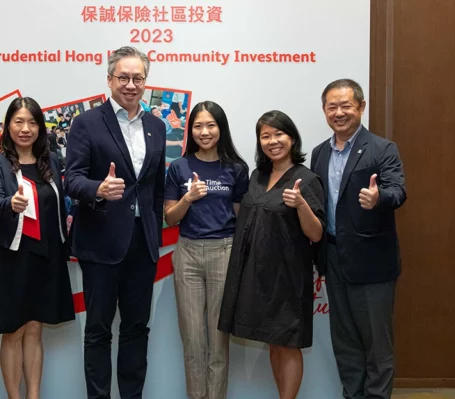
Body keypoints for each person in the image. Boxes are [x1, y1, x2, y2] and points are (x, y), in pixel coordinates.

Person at [64, 45, 167, 399]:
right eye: (123, 77)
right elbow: (71, 179)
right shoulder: (86, 123)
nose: (131, 84)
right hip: (101, 243)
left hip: (142, 244)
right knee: (98, 331)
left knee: (137, 329)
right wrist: (99, 189)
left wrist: (154, 232)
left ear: (145, 82)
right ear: (109, 80)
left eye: (138, 78)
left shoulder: (156, 125)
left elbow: (153, 189)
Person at [218, 110, 325, 399]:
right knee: (273, 342)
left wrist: (301, 204)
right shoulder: (257, 175)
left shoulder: (307, 178)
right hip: (258, 275)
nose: (272, 141)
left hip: (289, 276)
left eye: (279, 134)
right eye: (265, 136)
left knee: (288, 343)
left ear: (292, 138)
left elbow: (315, 234)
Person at [310, 79, 406, 399]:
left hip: (373, 263)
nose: (339, 113)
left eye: (346, 106)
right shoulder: (319, 153)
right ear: (324, 111)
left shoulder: (382, 148)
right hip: (334, 259)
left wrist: (379, 198)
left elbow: (398, 191)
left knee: (377, 348)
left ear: (361, 107)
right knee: (346, 344)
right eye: (332, 107)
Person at [0, 97, 75, 399]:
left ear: (40, 127)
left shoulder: (52, 161)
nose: (26, 128)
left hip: (47, 256)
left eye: (32, 122)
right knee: (15, 330)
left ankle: (33, 396)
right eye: (19, 121)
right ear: (8, 125)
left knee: (35, 329)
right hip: (12, 256)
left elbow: (62, 205)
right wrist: (11, 203)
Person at [164, 101, 249, 399]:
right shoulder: (179, 167)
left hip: (223, 253)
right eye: (198, 126)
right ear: (190, 130)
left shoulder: (237, 169)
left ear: (221, 128)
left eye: (210, 125)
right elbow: (170, 217)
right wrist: (188, 198)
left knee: (218, 341)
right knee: (193, 341)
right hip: (187, 254)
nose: (204, 132)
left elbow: (241, 218)